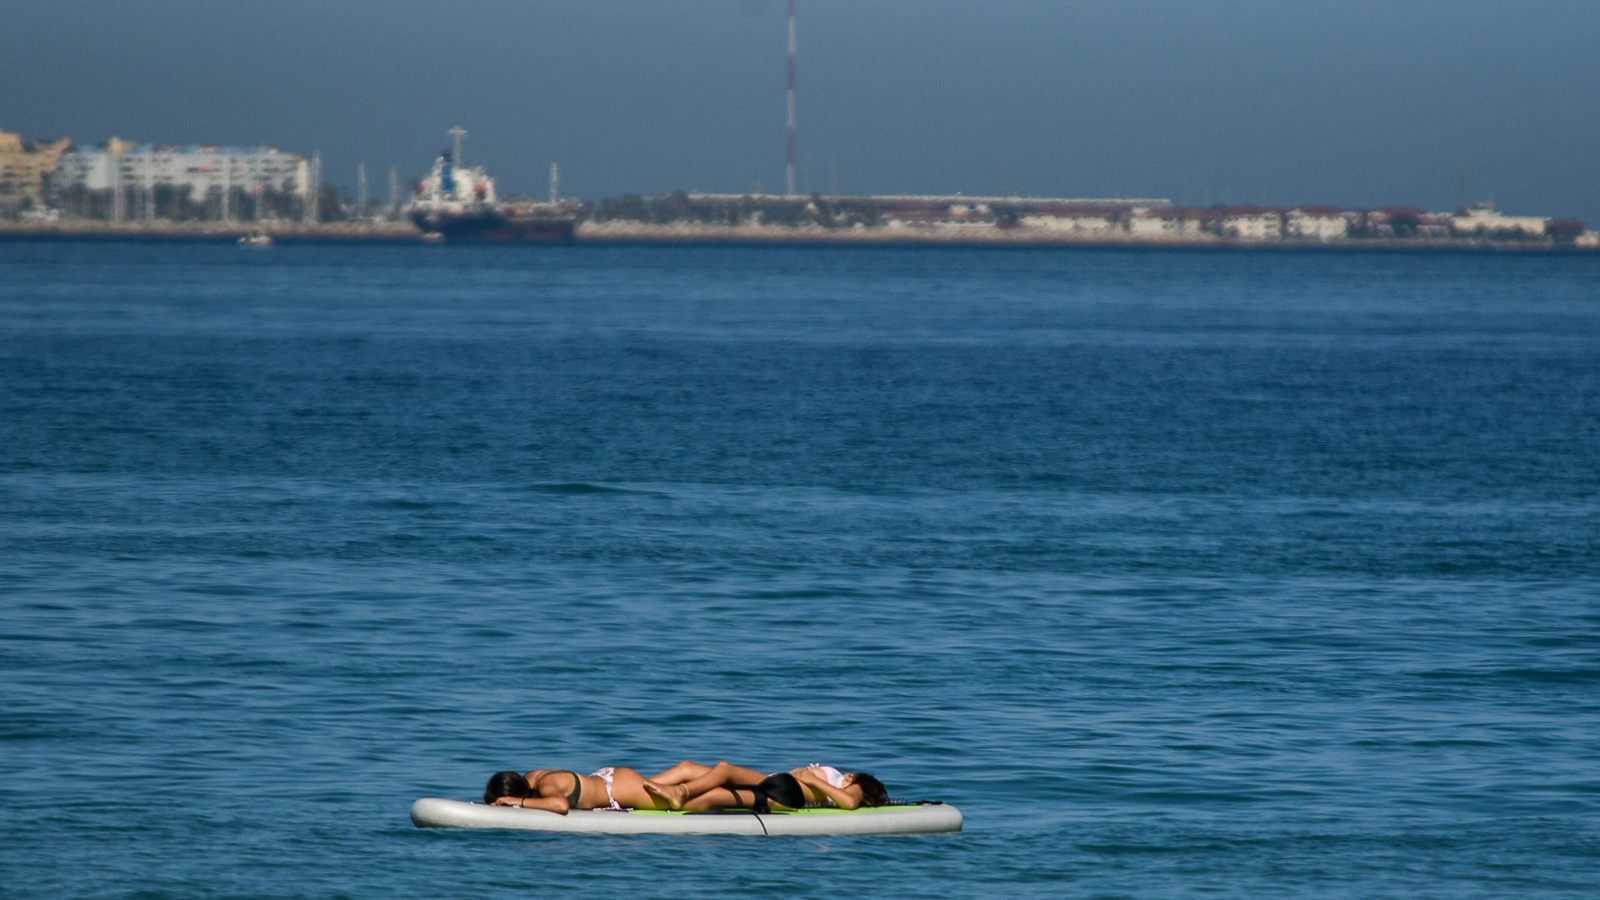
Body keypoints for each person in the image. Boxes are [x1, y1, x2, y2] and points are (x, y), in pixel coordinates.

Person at [642, 760, 889, 810]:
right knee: (687, 767)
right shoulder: (839, 778)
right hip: (777, 782)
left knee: (725, 770)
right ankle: (642, 788)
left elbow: (850, 802)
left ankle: (681, 792)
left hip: (786, 790)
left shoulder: (854, 787)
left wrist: (812, 778)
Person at [483, 766, 676, 814]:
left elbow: (561, 806)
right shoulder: (529, 779)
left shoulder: (545, 785)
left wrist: (519, 803)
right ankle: (685, 770)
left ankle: (690, 772)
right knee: (671, 788)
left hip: (617, 789)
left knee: (688, 803)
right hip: (611, 779)